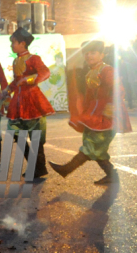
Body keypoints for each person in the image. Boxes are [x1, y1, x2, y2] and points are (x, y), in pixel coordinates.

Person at [50, 41, 132, 184]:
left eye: (93, 52)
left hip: (106, 116)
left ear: (102, 54)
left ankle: (66, 169)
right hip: (94, 115)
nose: (89, 56)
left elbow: (118, 89)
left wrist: (111, 107)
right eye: (86, 53)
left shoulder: (107, 70)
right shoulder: (90, 72)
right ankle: (112, 176)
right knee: (96, 147)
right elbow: (89, 96)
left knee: (92, 146)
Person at [4, 27, 54, 178]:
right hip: (18, 102)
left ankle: (39, 168)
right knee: (15, 133)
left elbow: (45, 72)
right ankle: (36, 166)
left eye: (13, 42)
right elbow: (17, 81)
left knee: (36, 136)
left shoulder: (34, 59)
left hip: (32, 99)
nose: (11, 45)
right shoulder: (16, 60)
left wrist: (29, 79)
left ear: (22, 43)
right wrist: (7, 90)